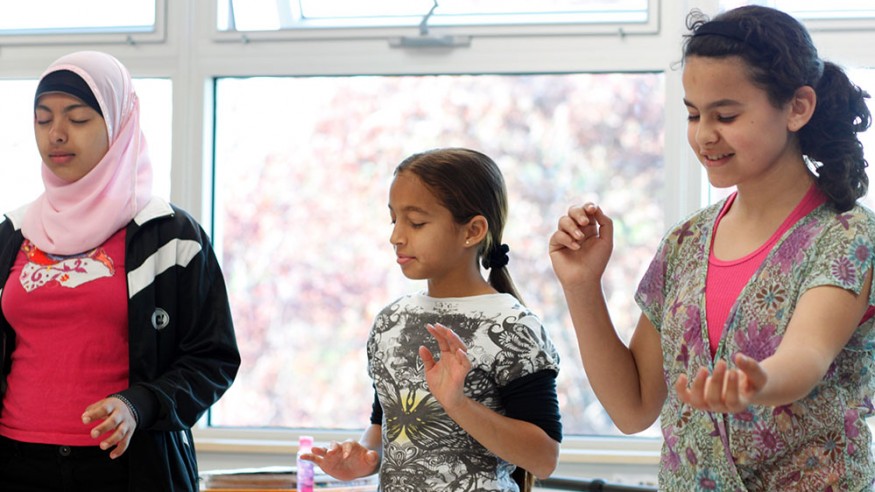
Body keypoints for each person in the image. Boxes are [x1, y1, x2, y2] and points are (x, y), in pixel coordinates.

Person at [549, 5, 874, 491]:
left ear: (797, 107)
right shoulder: (685, 242)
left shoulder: (847, 235)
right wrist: (581, 286)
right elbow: (633, 406)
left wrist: (756, 382)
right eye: (693, 113)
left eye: (726, 114)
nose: (704, 135)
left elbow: (806, 357)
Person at [0, 51, 240, 491]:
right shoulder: (11, 233)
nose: (56, 134)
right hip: (15, 462)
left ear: (118, 123)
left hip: (130, 467)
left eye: (78, 118)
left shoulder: (173, 236)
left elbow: (213, 359)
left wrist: (139, 405)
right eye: (42, 119)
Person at [300, 148, 563, 491]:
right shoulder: (390, 322)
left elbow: (543, 459)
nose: (396, 236)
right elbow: (385, 425)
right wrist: (363, 457)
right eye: (394, 220)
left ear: (473, 230)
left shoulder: (513, 326)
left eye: (416, 222)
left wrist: (458, 404)